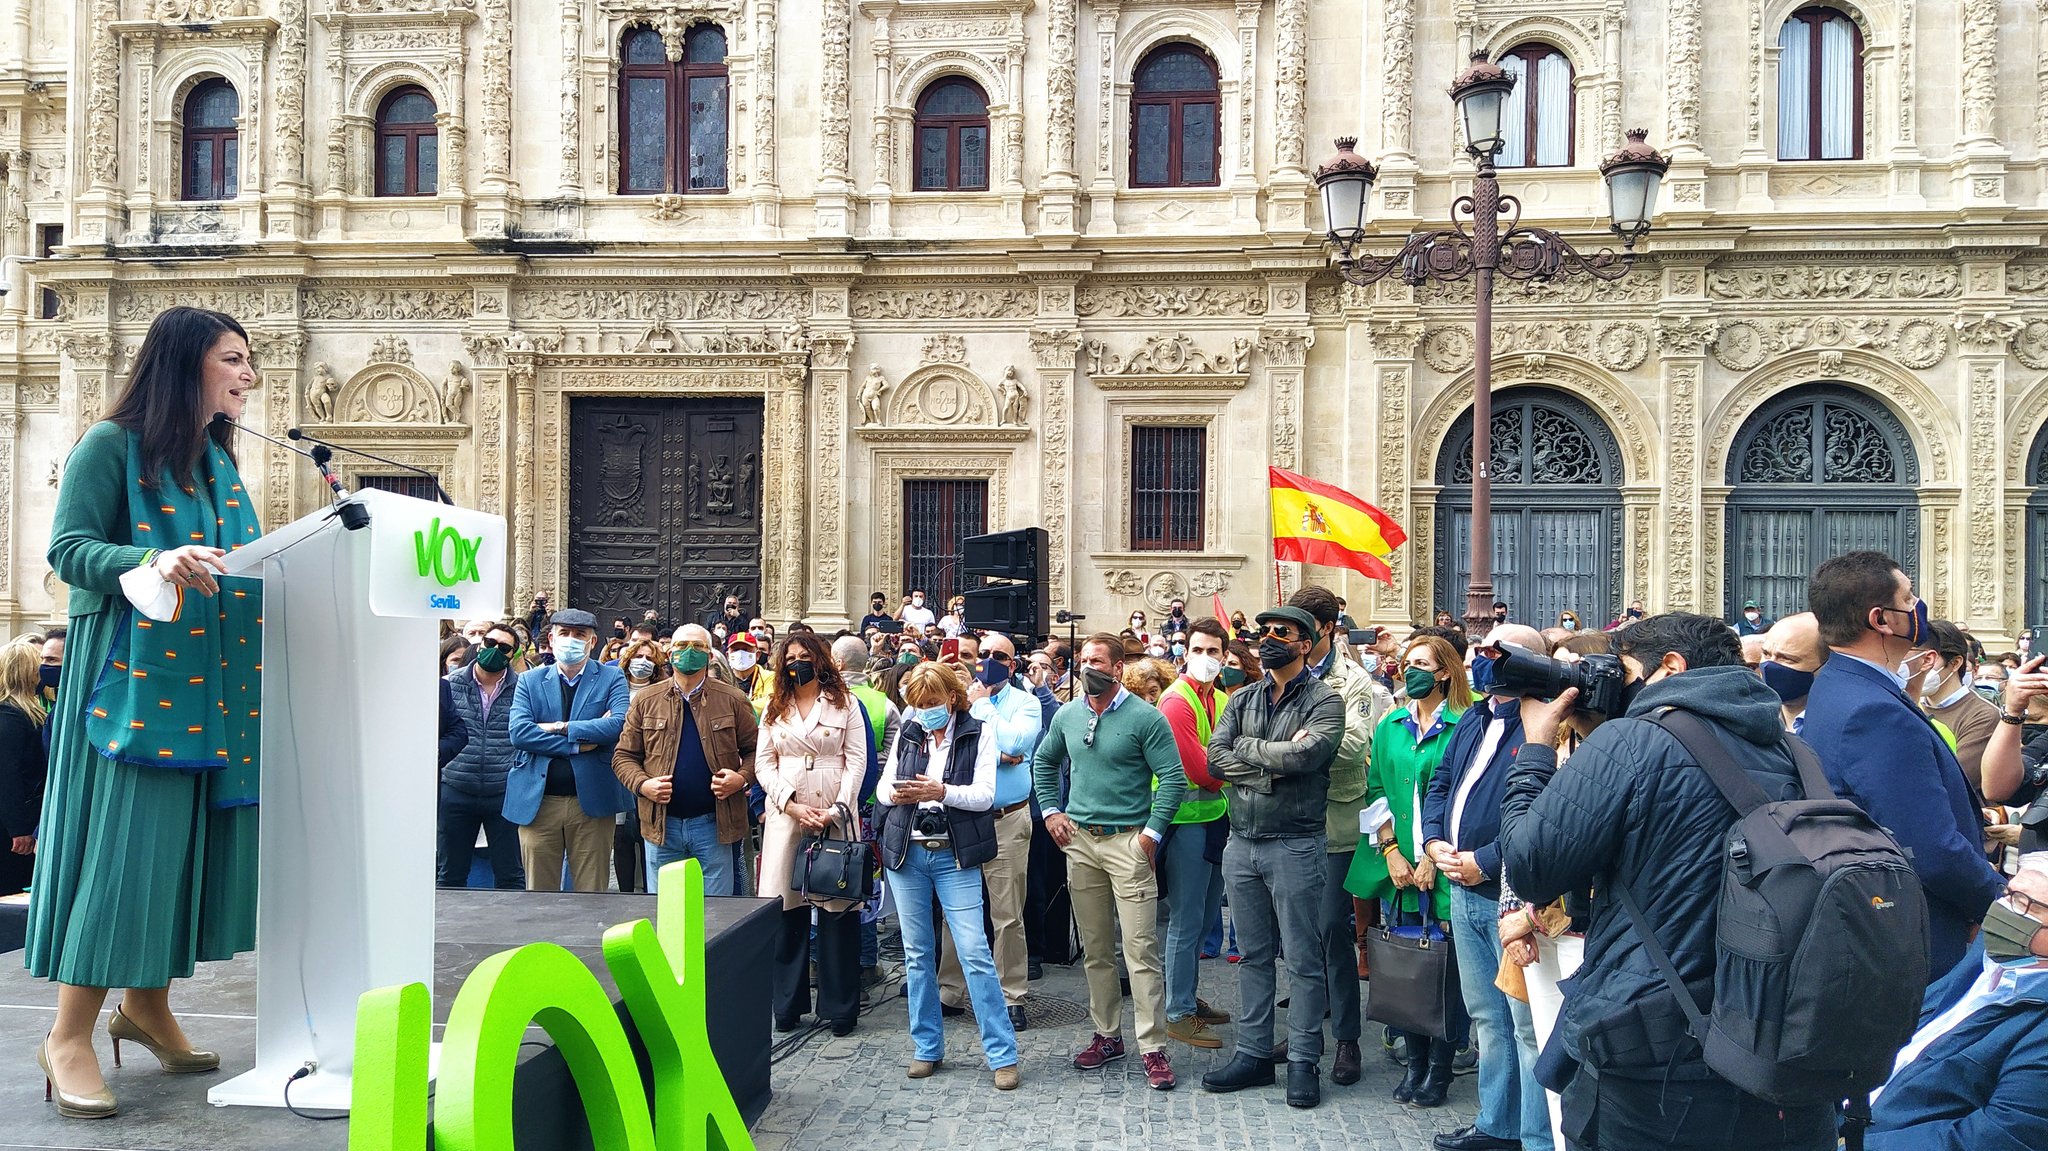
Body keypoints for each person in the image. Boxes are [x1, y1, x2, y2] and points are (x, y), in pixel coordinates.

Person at [28, 306, 266, 1118]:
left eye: (249, 360)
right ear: (184, 363)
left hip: (210, 682)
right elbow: (67, 552)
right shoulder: (108, 445)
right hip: (130, 681)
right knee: (126, 853)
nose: (248, 374)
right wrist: (152, 558)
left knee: (178, 851)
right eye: (233, 358)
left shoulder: (216, 461)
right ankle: (67, 1035)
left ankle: (147, 1006)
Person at [1499, 612, 1838, 1150]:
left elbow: (1530, 867)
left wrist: (1537, 748)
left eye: (1624, 671)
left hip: (1655, 1054)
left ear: (1671, 667)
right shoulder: (1797, 752)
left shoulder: (1633, 742)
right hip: (1776, 1039)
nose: (1615, 685)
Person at [1800, 551, 2004, 979]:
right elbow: (1932, 849)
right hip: (1921, 933)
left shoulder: (1839, 684)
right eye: (1909, 598)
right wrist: (2005, 907)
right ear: (1881, 619)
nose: (1918, 607)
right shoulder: (1874, 710)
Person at [1200, 606, 1345, 1109]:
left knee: (1303, 959)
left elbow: (1307, 756)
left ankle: (1303, 1059)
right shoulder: (1242, 697)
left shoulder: (1325, 700)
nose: (1269, 639)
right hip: (1241, 842)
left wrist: (1248, 749)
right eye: (1264, 632)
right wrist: (1269, 767)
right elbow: (1215, 756)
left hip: (1296, 843)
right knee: (1253, 956)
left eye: (1282, 632)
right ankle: (1254, 1054)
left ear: (1306, 643)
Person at [1032, 632, 1186, 1090]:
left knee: (1140, 950)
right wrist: (1051, 810)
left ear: (1118, 668)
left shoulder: (1145, 718)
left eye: (1097, 661)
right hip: (1081, 843)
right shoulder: (1068, 714)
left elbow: (1173, 778)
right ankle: (1107, 1035)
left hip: (1128, 843)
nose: (1087, 668)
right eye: (1083, 660)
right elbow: (1044, 762)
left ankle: (1153, 1046)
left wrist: (1150, 836)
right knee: (1096, 949)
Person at [1423, 624, 1547, 1151]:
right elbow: (1441, 783)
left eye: (1496, 652)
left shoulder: (1542, 723)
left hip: (1510, 899)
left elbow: (1542, 811)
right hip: (1461, 889)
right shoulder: (1475, 717)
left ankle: (1536, 1137)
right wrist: (1433, 840)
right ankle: (1497, 1125)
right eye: (1479, 649)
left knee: (1526, 1025)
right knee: (1487, 1020)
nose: (1481, 659)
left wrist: (1486, 860)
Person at [876, 662, 1021, 1089]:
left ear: (952, 698)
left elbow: (985, 796)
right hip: (908, 853)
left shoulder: (978, 732)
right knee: (917, 953)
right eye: (918, 705)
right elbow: (882, 788)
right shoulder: (909, 731)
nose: (925, 711)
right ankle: (926, 1047)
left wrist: (941, 792)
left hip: (954, 856)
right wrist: (903, 791)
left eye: (932, 703)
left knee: (974, 952)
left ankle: (1002, 1054)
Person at [1351, 633, 1469, 1108]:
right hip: (1398, 867)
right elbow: (1375, 787)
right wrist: (1391, 851)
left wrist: (1432, 857)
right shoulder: (1391, 724)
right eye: (1407, 662)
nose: (1411, 670)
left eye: (1422, 664)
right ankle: (1415, 1061)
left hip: (1447, 864)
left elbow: (1464, 797)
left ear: (1444, 673)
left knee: (1445, 971)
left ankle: (1441, 1067)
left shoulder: (1465, 724)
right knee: (1407, 965)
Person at [1864, 855, 2048, 1150]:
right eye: (2008, 893)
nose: (2003, 910)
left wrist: (1851, 1143)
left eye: (2026, 905)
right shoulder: (1988, 961)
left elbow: (2000, 1136)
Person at [1285, 584, 1391, 1085]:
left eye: (1298, 628)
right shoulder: (1281, 673)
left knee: (1331, 929)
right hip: (1285, 818)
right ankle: (1304, 1030)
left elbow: (1353, 746)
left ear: (1326, 629)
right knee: (1296, 934)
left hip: (1335, 821)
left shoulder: (1353, 681)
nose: (1289, 638)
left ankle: (1347, 1037)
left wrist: (1297, 744)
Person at [756, 632, 871, 1035]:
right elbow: (764, 763)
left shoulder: (845, 703)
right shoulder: (774, 706)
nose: (797, 663)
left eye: (804, 655)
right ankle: (786, 1004)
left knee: (837, 910)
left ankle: (840, 1007)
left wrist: (837, 809)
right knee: (786, 911)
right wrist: (788, 803)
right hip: (787, 815)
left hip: (834, 812)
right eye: (790, 657)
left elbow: (857, 761)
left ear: (820, 659)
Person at [933, 632, 1041, 1032]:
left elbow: (1017, 741)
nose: (989, 660)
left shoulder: (1025, 703)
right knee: (956, 909)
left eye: (999, 655)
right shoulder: (957, 701)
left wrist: (982, 707)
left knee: (1007, 912)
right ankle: (950, 990)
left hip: (1006, 817)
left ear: (1012, 665)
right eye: (984, 654)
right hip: (963, 817)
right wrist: (1000, 755)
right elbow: (954, 751)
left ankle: (1011, 994)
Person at [612, 623, 758, 896]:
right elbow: (623, 756)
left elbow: (756, 751)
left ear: (710, 655)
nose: (689, 652)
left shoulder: (733, 699)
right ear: (669, 653)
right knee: (665, 908)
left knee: (715, 910)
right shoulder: (646, 700)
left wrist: (741, 778)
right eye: (681, 645)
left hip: (714, 824)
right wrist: (643, 785)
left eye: (698, 646)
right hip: (661, 824)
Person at [505, 608, 633, 893]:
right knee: (539, 893)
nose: (571, 640)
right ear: (551, 639)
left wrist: (559, 727)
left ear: (592, 641)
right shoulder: (530, 680)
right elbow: (520, 733)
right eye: (564, 633)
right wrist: (578, 743)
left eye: (579, 635)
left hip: (592, 803)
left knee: (592, 893)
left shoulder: (612, 678)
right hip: (539, 803)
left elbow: (617, 726)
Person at [1156, 617, 1235, 1050]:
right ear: (1185, 653)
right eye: (1198, 650)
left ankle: (1186, 996)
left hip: (1214, 820)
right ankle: (1178, 1012)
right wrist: (1237, 765)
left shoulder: (1220, 699)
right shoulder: (1176, 701)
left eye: (1213, 651)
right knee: (1186, 921)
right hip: (1183, 824)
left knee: (1205, 919)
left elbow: (1222, 757)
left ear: (1225, 656)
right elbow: (1202, 770)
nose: (1205, 658)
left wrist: (1227, 762)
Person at [440, 623, 526, 889]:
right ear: (480, 645)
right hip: (456, 787)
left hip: (503, 790)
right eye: (490, 643)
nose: (494, 650)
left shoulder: (523, 688)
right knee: (449, 875)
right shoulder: (449, 685)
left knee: (511, 876)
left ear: (513, 654)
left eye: (504, 647)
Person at [1921, 619, 2002, 794]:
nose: (1920, 666)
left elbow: (1955, 778)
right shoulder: (1912, 706)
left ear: (1955, 663)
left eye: (1929, 658)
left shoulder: (1984, 715)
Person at [0, 640, 48, 897]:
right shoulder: (11, 717)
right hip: (13, 829)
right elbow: (8, 776)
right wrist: (19, 829)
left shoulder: (19, 714)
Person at [1758, 611, 1828, 733]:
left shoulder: (1840, 725)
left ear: (1825, 665)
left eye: (1786, 658)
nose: (1769, 666)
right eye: (1766, 654)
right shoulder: (1751, 718)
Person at [725, 630, 771, 713]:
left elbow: (770, 701)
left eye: (745, 650)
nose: (740, 654)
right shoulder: (722, 679)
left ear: (757, 655)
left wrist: (735, 708)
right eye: (735, 650)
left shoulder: (770, 677)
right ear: (728, 656)